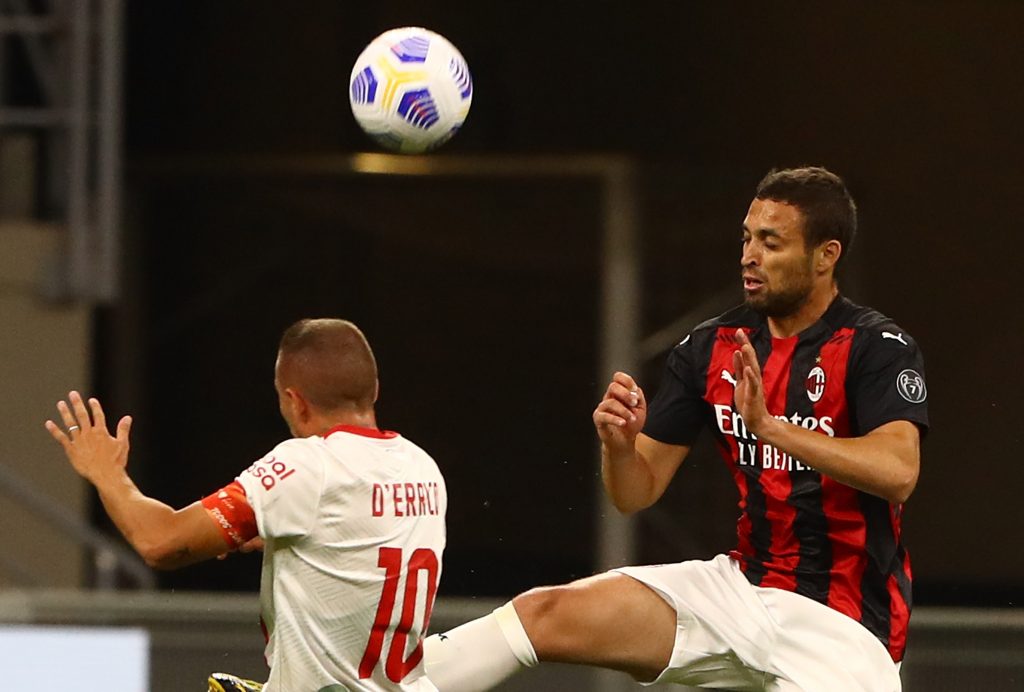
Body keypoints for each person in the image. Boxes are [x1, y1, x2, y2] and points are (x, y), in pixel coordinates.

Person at [422, 166, 927, 691]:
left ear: (827, 255)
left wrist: (772, 429)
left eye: (771, 243)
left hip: (843, 624)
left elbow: (898, 471)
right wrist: (618, 446)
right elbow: (633, 493)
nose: (749, 257)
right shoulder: (712, 346)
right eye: (747, 238)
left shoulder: (875, 347)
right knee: (541, 614)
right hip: (739, 589)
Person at [45, 318, 447, 692]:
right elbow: (362, 545)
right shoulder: (423, 467)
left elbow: (162, 541)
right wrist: (278, 532)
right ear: (374, 389)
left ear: (295, 401)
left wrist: (106, 472)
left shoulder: (308, 464)